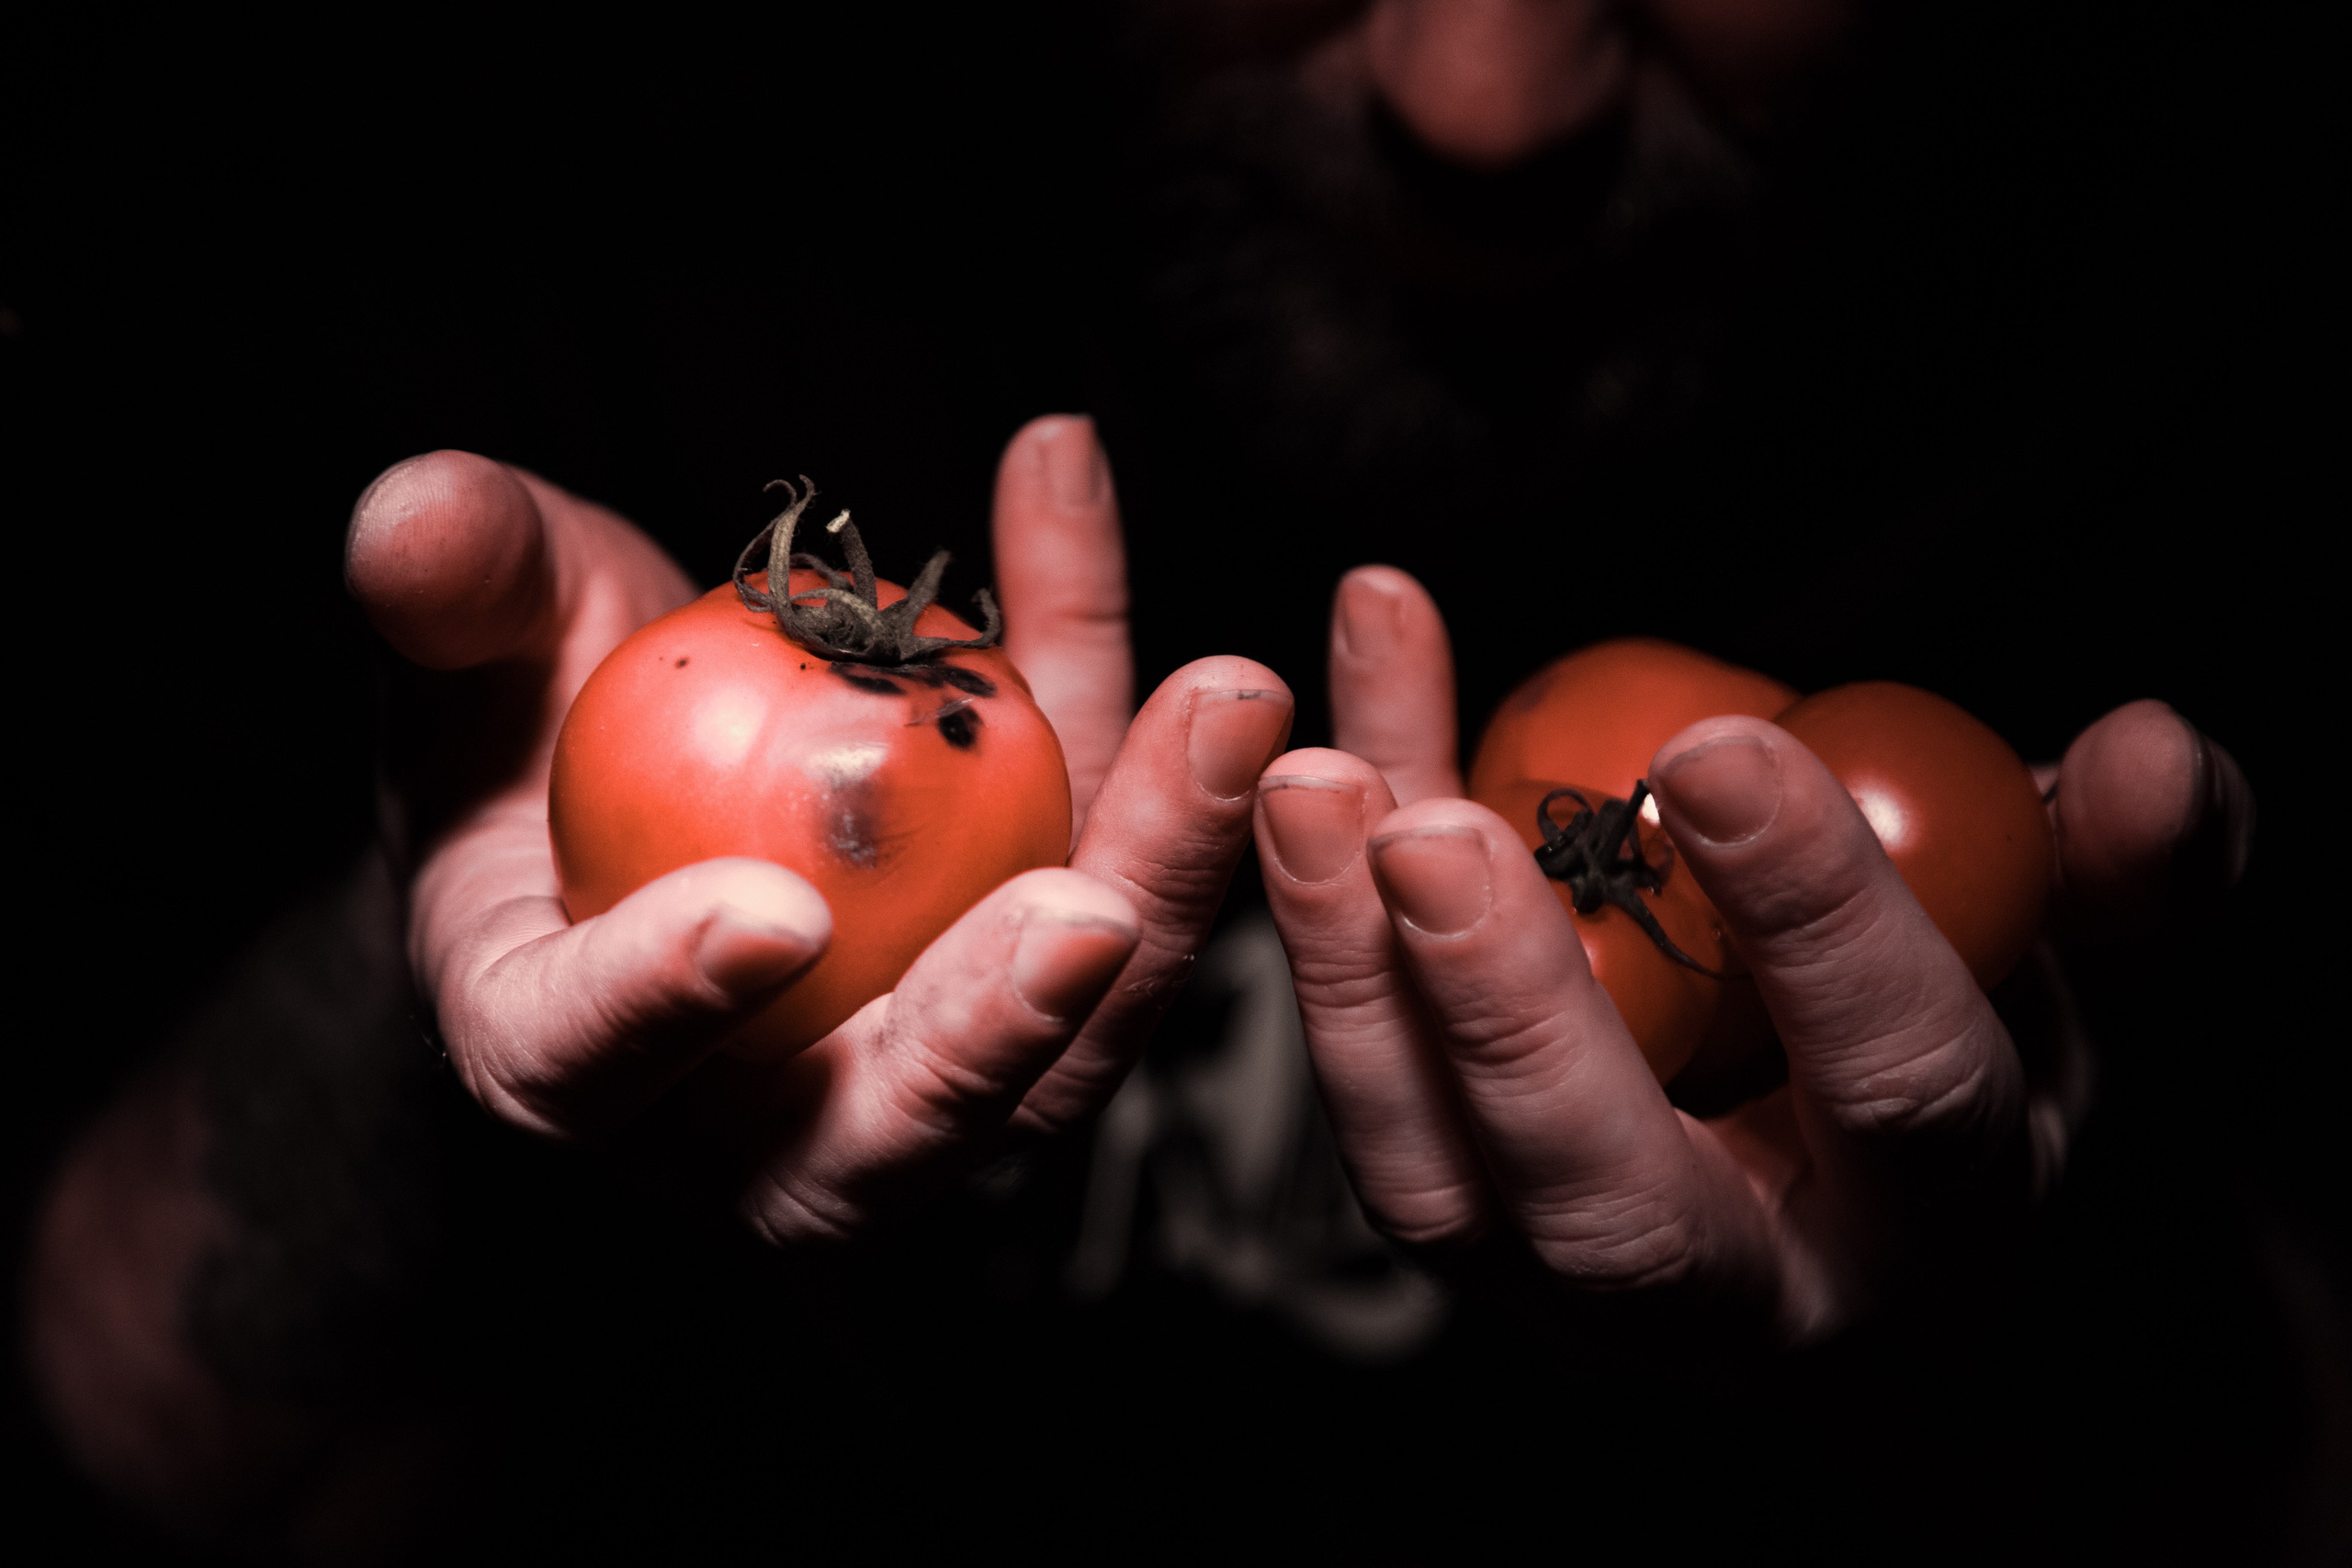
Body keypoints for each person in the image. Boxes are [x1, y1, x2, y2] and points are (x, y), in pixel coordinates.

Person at [16, 1, 2329, 1559]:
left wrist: (2018, 1298)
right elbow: (131, 1433)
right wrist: (440, 973)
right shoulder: (541, 212)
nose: (1483, 100)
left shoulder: (2167, 368)